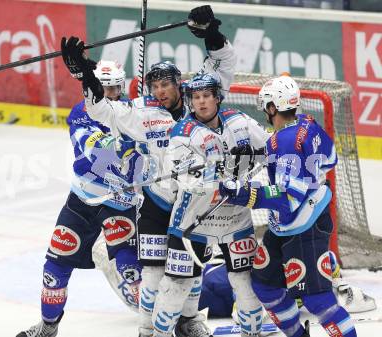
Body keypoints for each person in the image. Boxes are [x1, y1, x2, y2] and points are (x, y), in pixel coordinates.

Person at [61, 6, 236, 337]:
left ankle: (189, 321)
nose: (159, 92)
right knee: (154, 272)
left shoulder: (201, 101)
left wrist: (211, 35)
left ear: (179, 85)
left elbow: (223, 66)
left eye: (165, 84)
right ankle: (147, 329)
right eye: (153, 86)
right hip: (157, 201)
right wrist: (86, 75)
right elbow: (100, 110)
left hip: (197, 202)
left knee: (192, 270)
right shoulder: (142, 112)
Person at [16, 57, 146, 337]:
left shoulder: (131, 114)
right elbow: (91, 155)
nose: (110, 94)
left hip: (120, 204)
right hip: (82, 201)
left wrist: (140, 145)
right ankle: (48, 326)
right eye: (104, 88)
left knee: (129, 269)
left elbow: (147, 153)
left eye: (115, 88)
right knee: (55, 266)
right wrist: (119, 146)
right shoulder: (80, 113)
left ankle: (156, 325)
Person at [219, 75, 357, 337]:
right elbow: (329, 159)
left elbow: (287, 201)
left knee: (317, 300)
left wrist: (247, 193)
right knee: (265, 286)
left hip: (305, 227)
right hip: (290, 224)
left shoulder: (284, 142)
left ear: (272, 107)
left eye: (265, 106)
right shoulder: (308, 124)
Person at [156, 73, 270, 337]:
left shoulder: (239, 122)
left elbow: (269, 146)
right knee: (176, 287)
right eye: (196, 97)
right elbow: (190, 180)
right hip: (193, 221)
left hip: (235, 218)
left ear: (217, 97)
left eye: (207, 96)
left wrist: (260, 155)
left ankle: (251, 333)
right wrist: (232, 165)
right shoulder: (182, 133)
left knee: (245, 283)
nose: (202, 102)